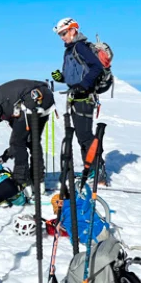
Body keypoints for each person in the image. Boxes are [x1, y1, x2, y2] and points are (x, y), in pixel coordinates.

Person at [0, 78, 54, 187]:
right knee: (30, 141)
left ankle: (22, 182)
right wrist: (6, 155)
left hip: (31, 98)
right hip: (45, 96)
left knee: (18, 142)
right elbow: (19, 137)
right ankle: (38, 181)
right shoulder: (3, 106)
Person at [51, 17, 107, 183]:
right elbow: (72, 76)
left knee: (85, 136)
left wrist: (84, 85)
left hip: (85, 97)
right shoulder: (69, 51)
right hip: (76, 96)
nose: (62, 37)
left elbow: (97, 67)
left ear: (73, 30)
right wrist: (61, 77)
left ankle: (98, 170)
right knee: (82, 137)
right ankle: (89, 169)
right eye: (60, 34)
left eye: (64, 33)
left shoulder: (80, 47)